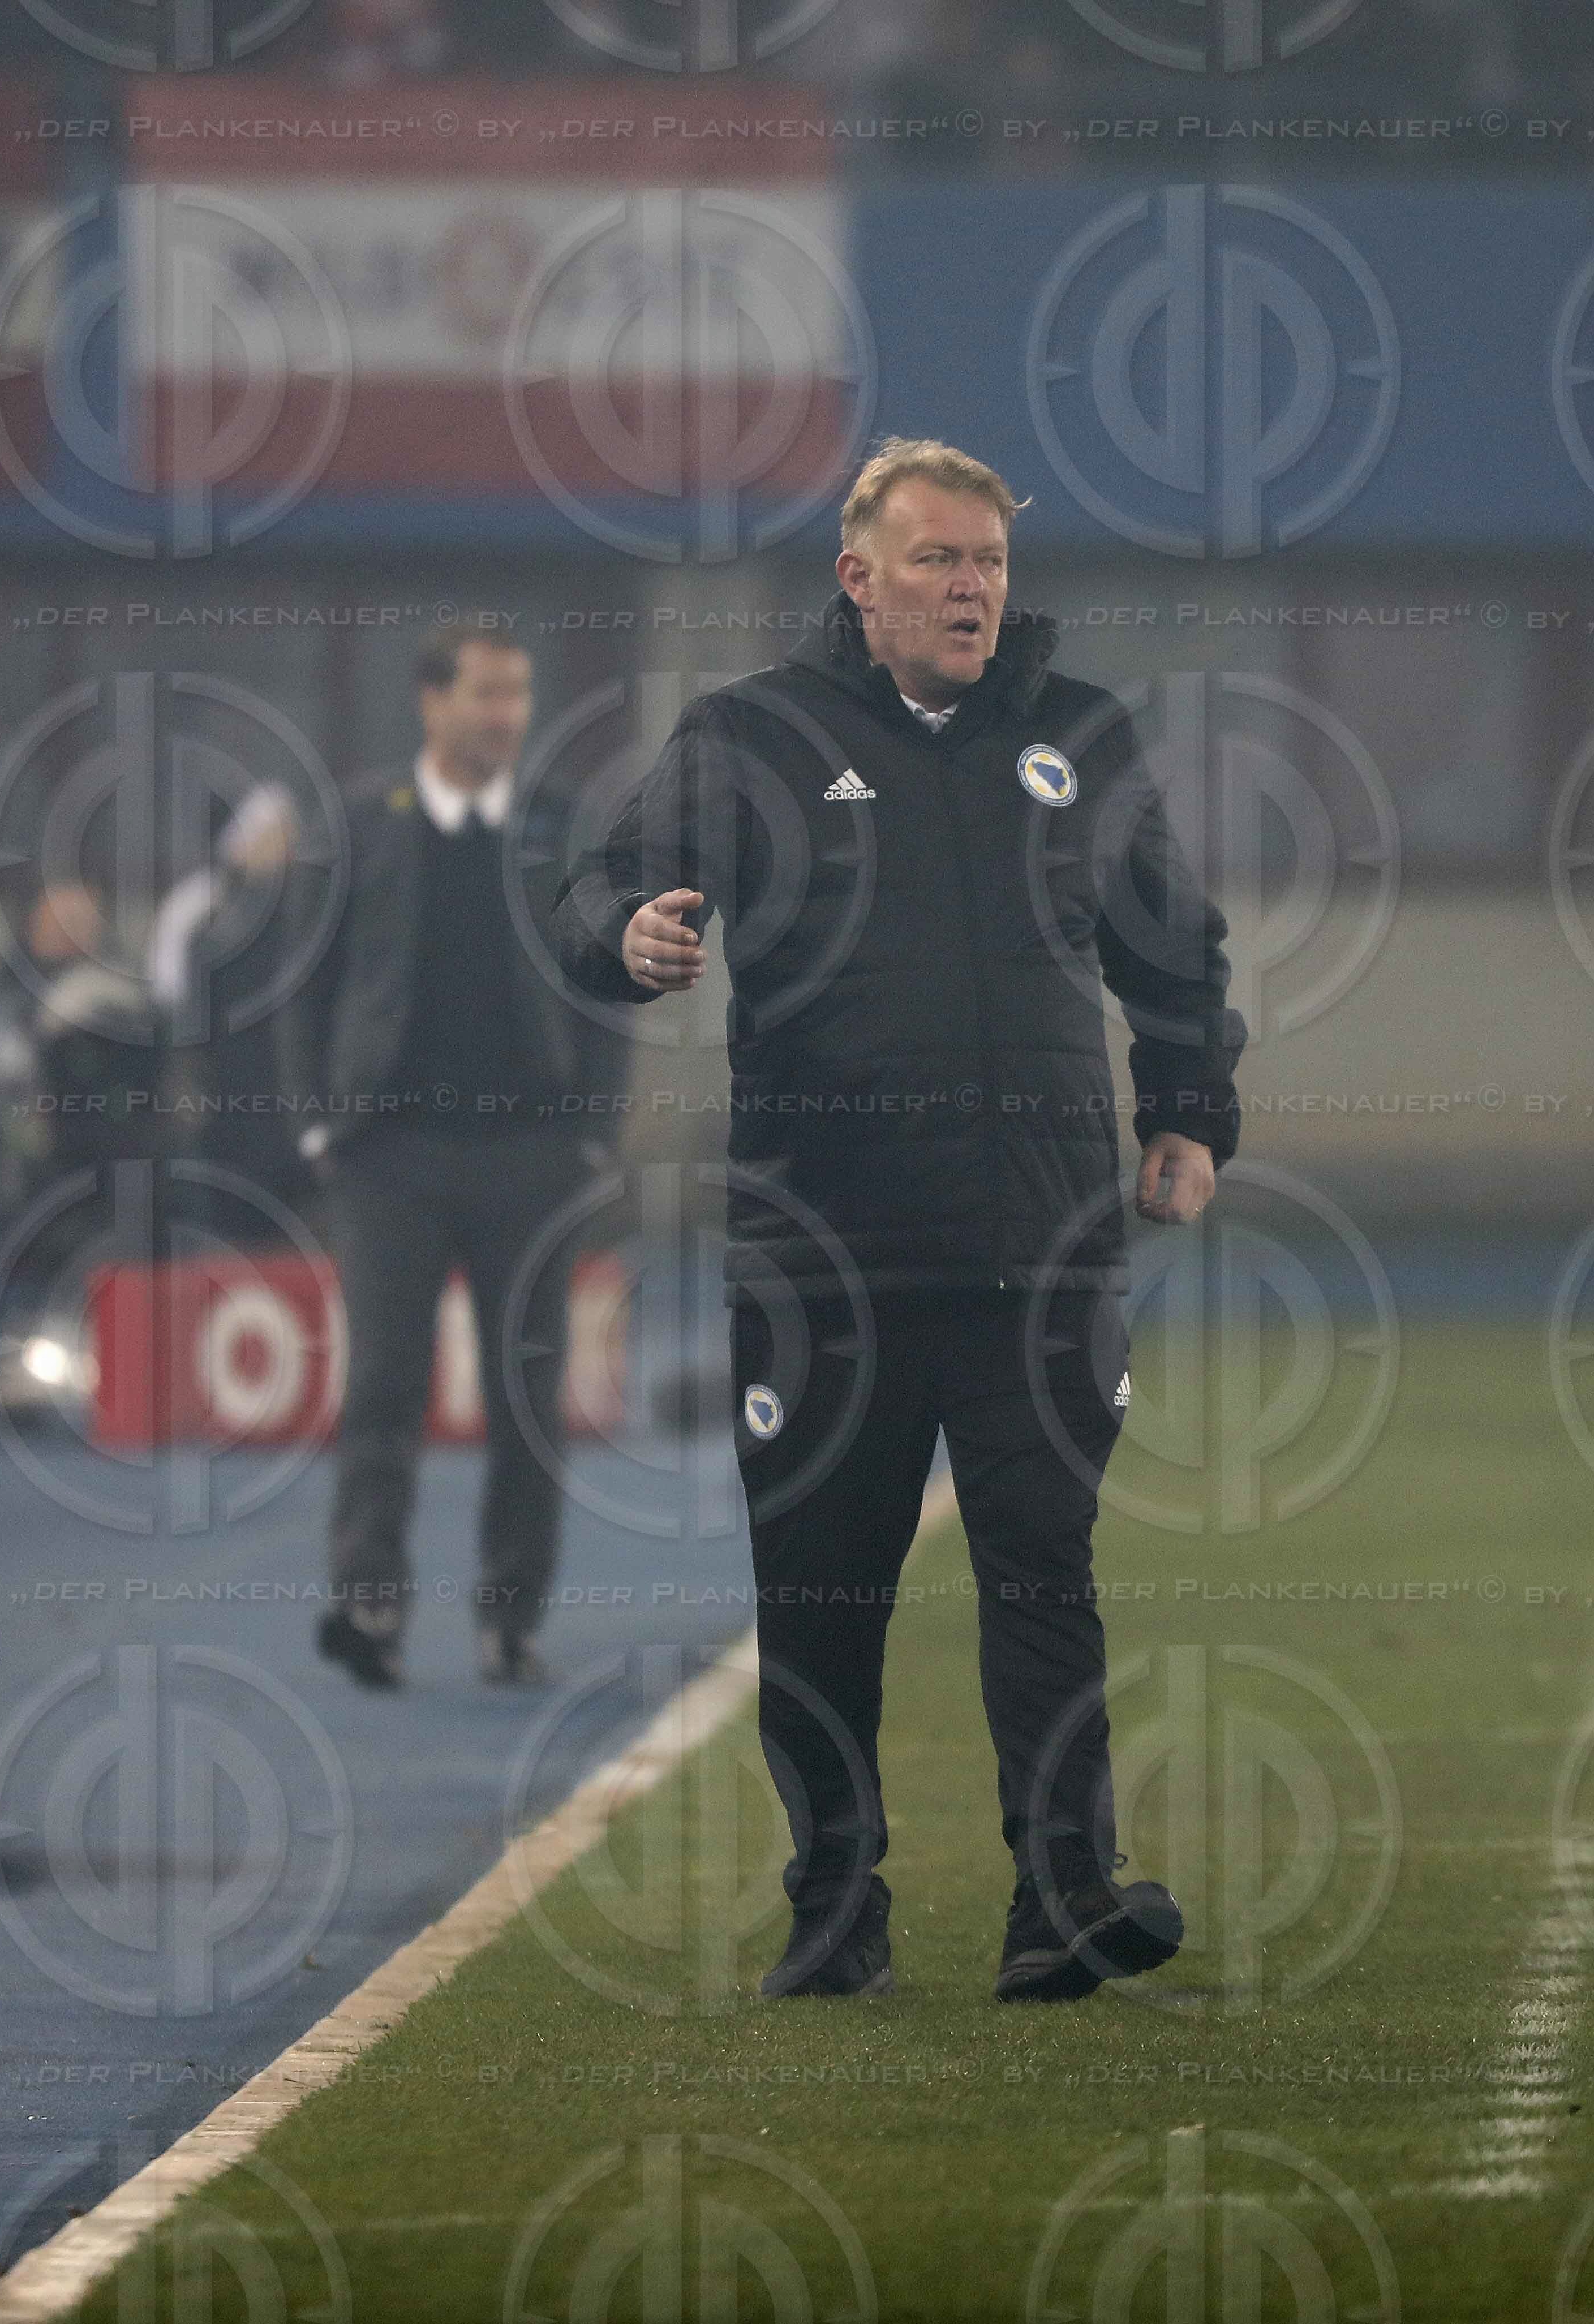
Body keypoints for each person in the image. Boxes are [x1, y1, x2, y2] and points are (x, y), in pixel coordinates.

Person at [554, 438, 1244, 2005]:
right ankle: (831, 1902)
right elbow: (599, 890)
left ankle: (1062, 1893)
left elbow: (1173, 951)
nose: (972, 589)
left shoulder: (1081, 734)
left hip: (1040, 1246)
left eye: (990, 563)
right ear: (858, 577)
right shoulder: (748, 739)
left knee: (1043, 1569)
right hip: (823, 1261)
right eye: (939, 560)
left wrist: (1193, 1110)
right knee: (817, 1596)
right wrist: (629, 932)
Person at [285, 623, 608, 1692]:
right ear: (432, 701)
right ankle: (368, 1604)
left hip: (531, 1155)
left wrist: (595, 1125)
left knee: (528, 1396)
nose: (505, 714)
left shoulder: (561, 829)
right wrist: (317, 1123)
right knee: (383, 1382)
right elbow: (305, 982)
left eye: (518, 694)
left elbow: (613, 978)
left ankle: (510, 1618)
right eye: (485, 692)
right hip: (390, 1155)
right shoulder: (357, 826)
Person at [0, 878, 155, 1371]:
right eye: (57, 923)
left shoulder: (123, 1005)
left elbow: (143, 1102)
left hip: (92, 1178)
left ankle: (111, 1360)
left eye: (82, 924)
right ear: (32, 927)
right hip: (4, 1177)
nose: (69, 935)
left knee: (114, 1240)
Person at [148, 784, 322, 1238]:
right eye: (271, 838)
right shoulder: (201, 916)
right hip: (234, 1119)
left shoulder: (314, 917)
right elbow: (178, 1018)